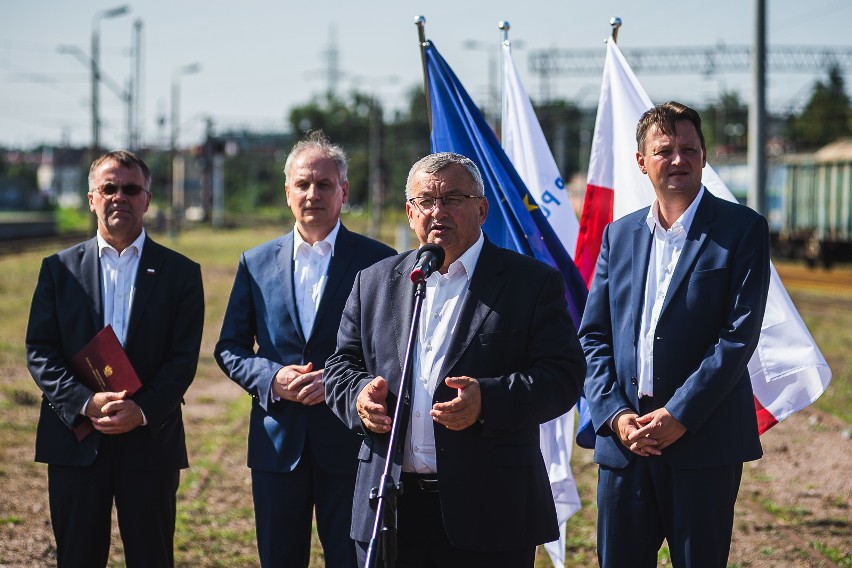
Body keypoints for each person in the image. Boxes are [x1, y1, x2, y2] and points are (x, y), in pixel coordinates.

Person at [324, 152, 586, 568]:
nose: (437, 211)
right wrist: (359, 397)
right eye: (425, 201)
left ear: (481, 209)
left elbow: (563, 377)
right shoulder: (373, 282)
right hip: (390, 508)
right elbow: (341, 365)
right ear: (410, 213)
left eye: (453, 198)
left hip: (491, 512)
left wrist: (489, 401)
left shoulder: (530, 284)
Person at [580, 101, 771, 568]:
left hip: (703, 441)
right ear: (642, 162)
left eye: (689, 148)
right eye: (664, 150)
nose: (678, 159)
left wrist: (679, 414)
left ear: (704, 155)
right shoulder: (618, 236)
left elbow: (737, 338)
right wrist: (616, 416)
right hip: (625, 444)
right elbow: (593, 337)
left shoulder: (741, 229)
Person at [214, 131, 395, 567]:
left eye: (324, 184)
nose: (313, 193)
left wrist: (345, 386)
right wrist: (273, 378)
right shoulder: (254, 262)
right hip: (278, 446)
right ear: (287, 192)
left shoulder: (380, 261)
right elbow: (230, 347)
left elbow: (391, 350)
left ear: (344, 191)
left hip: (353, 444)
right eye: (303, 184)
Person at [25, 150, 205, 567]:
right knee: (78, 557)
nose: (119, 196)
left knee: (151, 556)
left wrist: (140, 410)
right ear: (92, 198)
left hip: (149, 441)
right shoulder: (58, 270)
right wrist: (85, 402)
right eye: (109, 188)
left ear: (147, 198)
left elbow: (182, 361)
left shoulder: (181, 273)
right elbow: (40, 351)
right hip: (75, 438)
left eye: (130, 189)